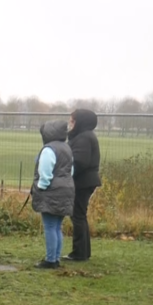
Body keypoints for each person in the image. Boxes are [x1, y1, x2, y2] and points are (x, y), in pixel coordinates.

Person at [31, 121, 75, 269]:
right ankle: (55, 258)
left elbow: (45, 173)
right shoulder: (67, 148)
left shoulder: (48, 150)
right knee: (57, 226)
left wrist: (40, 187)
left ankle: (50, 260)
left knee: (49, 226)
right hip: (67, 189)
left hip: (52, 192)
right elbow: (71, 170)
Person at [64, 108, 101, 262]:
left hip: (82, 183)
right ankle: (83, 252)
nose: (70, 123)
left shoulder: (83, 138)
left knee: (77, 216)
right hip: (85, 181)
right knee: (80, 215)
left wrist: (66, 173)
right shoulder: (84, 136)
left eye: (72, 120)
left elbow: (80, 161)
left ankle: (79, 253)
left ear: (80, 122)